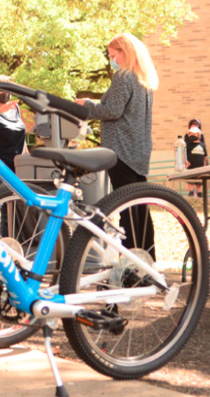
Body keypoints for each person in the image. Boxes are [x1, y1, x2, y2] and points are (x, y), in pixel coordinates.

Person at [77, 33, 158, 257]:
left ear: (126, 53)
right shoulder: (144, 80)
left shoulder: (123, 77)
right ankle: (146, 258)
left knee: (127, 208)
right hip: (138, 151)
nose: (112, 60)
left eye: (114, 55)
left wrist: (87, 104)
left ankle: (130, 263)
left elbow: (112, 111)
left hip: (121, 149)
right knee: (140, 208)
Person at [184, 119, 208, 198]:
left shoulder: (202, 145)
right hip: (191, 164)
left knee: (200, 180)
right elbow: (184, 153)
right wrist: (186, 161)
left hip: (200, 165)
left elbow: (205, 155)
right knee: (190, 178)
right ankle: (191, 192)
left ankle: (200, 193)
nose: (192, 135)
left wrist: (205, 164)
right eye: (190, 134)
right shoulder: (188, 145)